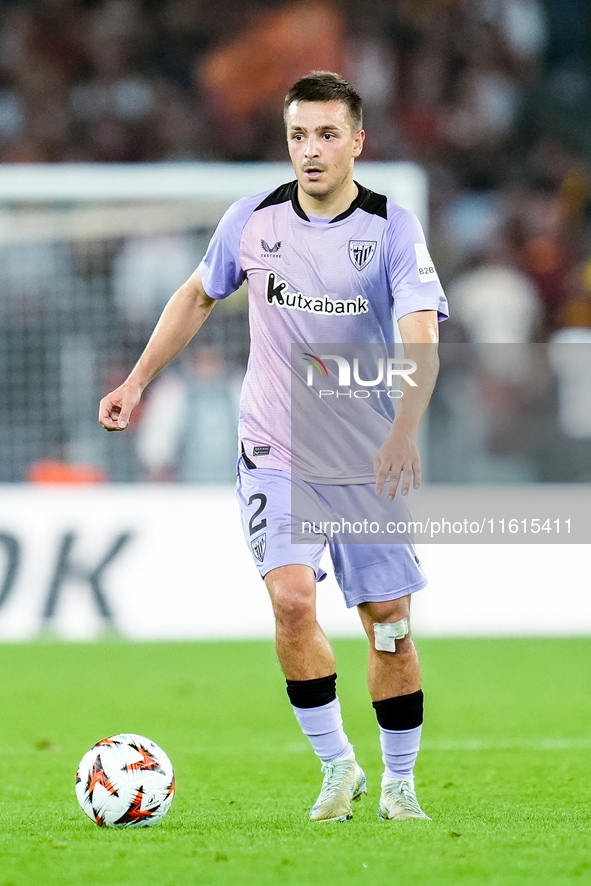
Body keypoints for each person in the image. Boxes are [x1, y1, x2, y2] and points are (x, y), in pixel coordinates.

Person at [99, 71, 448, 823]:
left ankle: (398, 783)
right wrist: (136, 381)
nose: (311, 150)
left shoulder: (391, 228)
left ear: (357, 141)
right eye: (298, 135)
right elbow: (197, 295)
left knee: (387, 622)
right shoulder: (251, 219)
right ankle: (336, 767)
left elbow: (421, 333)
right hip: (274, 448)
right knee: (292, 601)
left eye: (327, 134)